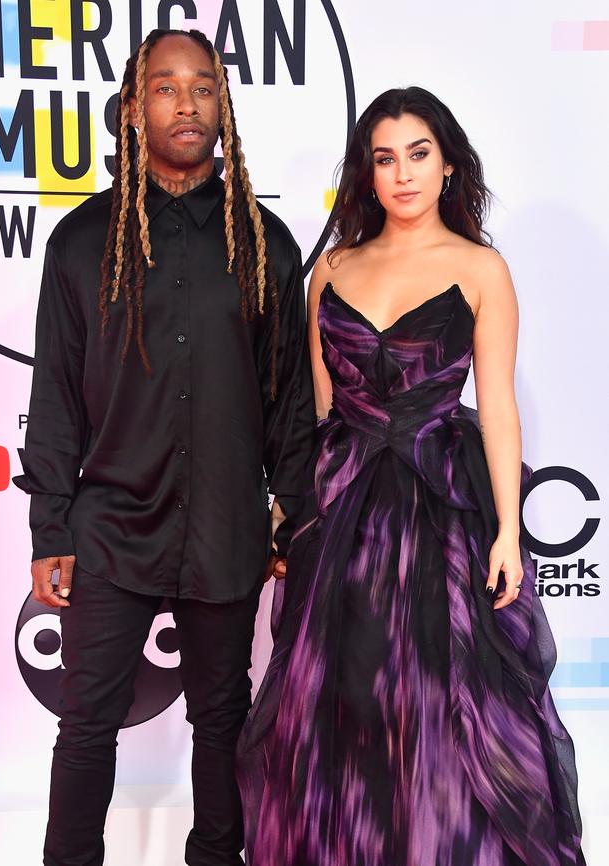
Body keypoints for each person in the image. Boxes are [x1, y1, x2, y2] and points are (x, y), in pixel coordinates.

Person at [237, 87, 585, 866]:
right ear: (366, 173)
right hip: (344, 517)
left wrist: (506, 533)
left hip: (440, 512)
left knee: (440, 709)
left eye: (418, 155)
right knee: (341, 707)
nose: (403, 174)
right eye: (385, 158)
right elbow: (318, 416)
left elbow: (497, 408)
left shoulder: (480, 269)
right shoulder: (329, 270)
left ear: (449, 164)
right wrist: (288, 514)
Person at [13, 28, 315, 866]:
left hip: (226, 525)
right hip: (110, 527)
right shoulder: (80, 243)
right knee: (86, 725)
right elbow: (56, 400)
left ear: (223, 105)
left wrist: (294, 517)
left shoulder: (265, 244)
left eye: (204, 86)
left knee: (223, 719)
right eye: (165, 86)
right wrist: (52, 530)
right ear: (133, 108)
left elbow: (289, 398)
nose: (187, 101)